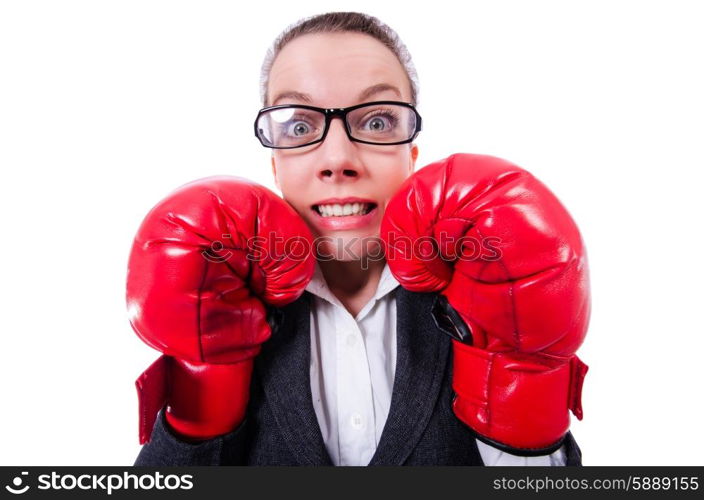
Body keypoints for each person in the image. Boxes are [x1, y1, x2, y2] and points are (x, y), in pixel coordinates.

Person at [128, 11, 589, 466]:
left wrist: (522, 384)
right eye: (300, 126)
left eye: (376, 121)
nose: (337, 159)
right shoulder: (221, 310)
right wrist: (202, 393)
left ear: (411, 154)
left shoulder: (484, 304)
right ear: (275, 165)